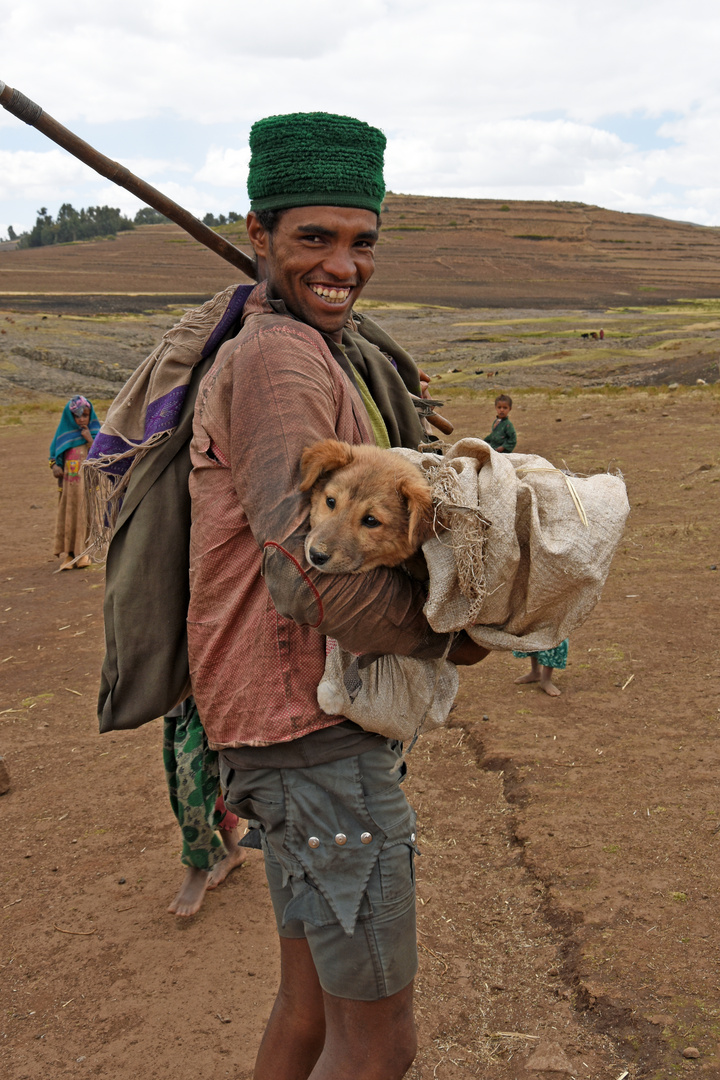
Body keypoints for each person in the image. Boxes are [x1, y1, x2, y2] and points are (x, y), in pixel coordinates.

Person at [187, 112, 488, 1080]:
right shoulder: (279, 361)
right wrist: (452, 633)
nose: (343, 265)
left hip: (275, 730)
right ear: (259, 234)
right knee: (379, 1040)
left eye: (362, 242)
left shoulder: (297, 345)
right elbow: (303, 567)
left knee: (308, 1010)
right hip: (306, 730)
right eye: (314, 238)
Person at [163, 697, 249, 917]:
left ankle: (198, 863)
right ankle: (233, 849)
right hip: (179, 701)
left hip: (213, 697)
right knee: (196, 779)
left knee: (191, 785)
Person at [49, 395, 100, 569]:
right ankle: (69, 555)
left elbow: (100, 455)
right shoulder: (64, 435)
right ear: (70, 417)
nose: (81, 419)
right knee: (68, 516)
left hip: (86, 487)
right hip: (69, 487)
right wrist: (55, 465)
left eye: (85, 415)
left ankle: (84, 553)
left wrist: (89, 440)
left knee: (85, 516)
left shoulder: (94, 434)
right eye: (77, 416)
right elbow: (54, 454)